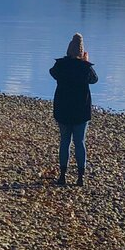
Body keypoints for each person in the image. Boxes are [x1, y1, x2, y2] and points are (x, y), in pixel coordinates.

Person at [49, 33, 98, 186]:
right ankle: (80, 178)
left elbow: (53, 73)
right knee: (79, 142)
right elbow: (94, 80)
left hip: (63, 109)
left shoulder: (60, 65)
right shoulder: (85, 67)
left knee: (64, 141)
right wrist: (85, 61)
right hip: (81, 111)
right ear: (82, 52)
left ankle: (62, 176)